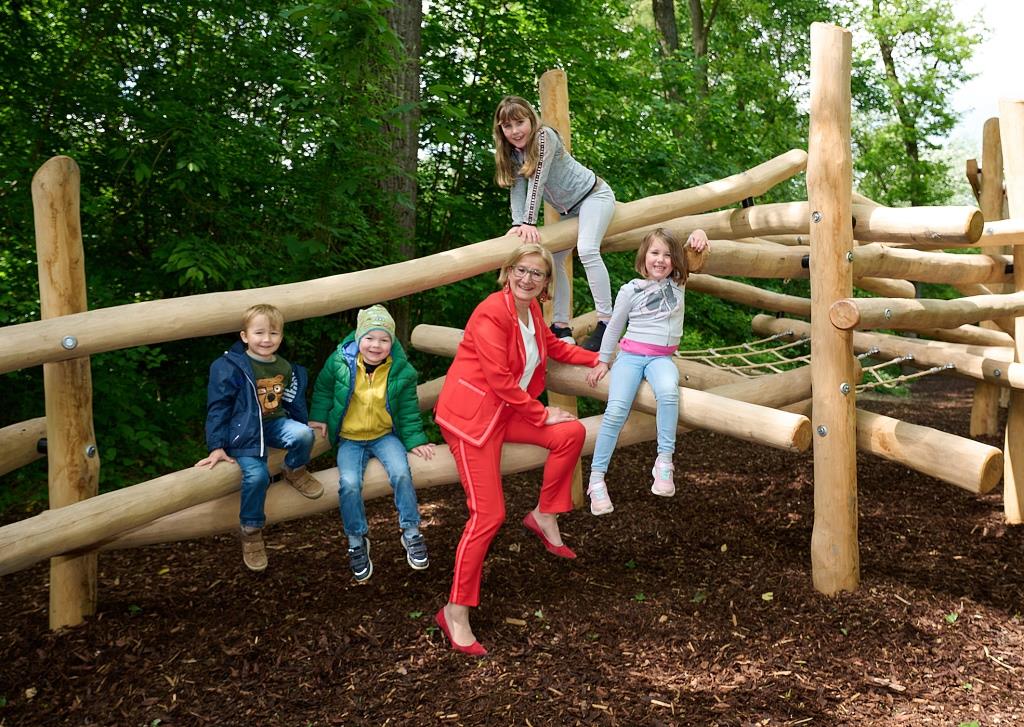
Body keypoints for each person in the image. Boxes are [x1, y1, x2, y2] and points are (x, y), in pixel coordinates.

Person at [432, 243, 607, 656]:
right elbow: (496, 376)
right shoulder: (492, 310)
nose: (527, 278)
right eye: (521, 271)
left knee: (571, 435)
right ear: (508, 272)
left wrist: (602, 357)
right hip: (474, 417)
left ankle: (544, 514)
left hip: (506, 411)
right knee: (488, 514)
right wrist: (541, 414)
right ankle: (454, 611)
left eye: (537, 273)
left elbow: (556, 348)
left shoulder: (531, 313)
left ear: (547, 283)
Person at [584, 227, 710, 516]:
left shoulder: (679, 284)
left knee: (668, 394)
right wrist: (604, 361)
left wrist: (701, 233)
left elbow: (697, 245)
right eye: (655, 253)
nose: (660, 260)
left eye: (667, 255)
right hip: (629, 356)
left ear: (675, 262)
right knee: (616, 410)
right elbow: (615, 326)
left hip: (660, 360)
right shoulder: (631, 289)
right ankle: (596, 479)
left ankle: (664, 461)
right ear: (644, 258)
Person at [308, 305, 435, 583]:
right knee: (350, 484)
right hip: (351, 439)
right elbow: (323, 389)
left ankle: (411, 532)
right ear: (358, 337)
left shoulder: (401, 370)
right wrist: (318, 417)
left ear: (392, 342)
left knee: (402, 472)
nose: (376, 345)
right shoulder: (339, 362)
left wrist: (415, 440)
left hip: (383, 435)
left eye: (384, 339)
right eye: (369, 338)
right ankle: (356, 539)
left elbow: (408, 409)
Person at [196, 303, 322, 572]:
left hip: (274, 423)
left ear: (281, 337)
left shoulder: (285, 367)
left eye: (274, 334)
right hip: (243, 432)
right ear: (245, 336)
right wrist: (216, 446)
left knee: (303, 434)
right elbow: (218, 407)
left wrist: (304, 421)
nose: (266, 340)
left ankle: (294, 469)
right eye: (259, 333)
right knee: (258, 476)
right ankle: (251, 530)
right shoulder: (230, 366)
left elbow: (291, 400)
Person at [494, 95, 617, 352]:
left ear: (531, 119)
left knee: (587, 249)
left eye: (520, 122)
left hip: (593, 196)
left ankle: (606, 321)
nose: (515, 131)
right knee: (552, 259)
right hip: (569, 209)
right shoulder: (513, 152)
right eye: (508, 126)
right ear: (501, 130)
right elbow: (517, 188)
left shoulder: (544, 137)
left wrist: (529, 221)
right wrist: (518, 223)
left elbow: (537, 180)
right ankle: (561, 326)